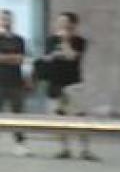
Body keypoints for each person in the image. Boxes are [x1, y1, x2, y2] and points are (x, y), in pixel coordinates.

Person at [39, 12, 95, 161]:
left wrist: (64, 41)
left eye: (64, 22)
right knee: (58, 117)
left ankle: (85, 150)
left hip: (73, 83)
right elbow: (46, 57)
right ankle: (64, 149)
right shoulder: (51, 40)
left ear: (73, 25)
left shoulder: (79, 41)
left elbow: (72, 57)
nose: (61, 25)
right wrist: (53, 55)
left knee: (80, 117)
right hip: (55, 83)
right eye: (59, 22)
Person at [0, 9, 29, 157]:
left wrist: (5, 57)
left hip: (15, 81)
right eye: (3, 19)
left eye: (8, 19)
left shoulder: (19, 40)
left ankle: (20, 144)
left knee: (18, 115)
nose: (5, 22)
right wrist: (12, 58)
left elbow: (21, 59)